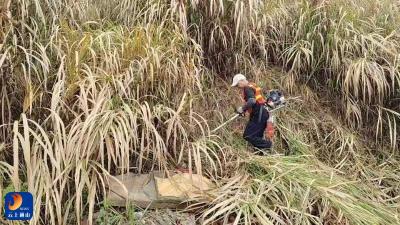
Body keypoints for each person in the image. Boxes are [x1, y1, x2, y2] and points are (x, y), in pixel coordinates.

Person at [231, 73, 273, 152]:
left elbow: (252, 101)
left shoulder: (247, 88)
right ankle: (260, 155)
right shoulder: (252, 85)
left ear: (241, 81)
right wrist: (245, 110)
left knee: (248, 135)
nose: (238, 87)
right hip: (262, 112)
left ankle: (268, 145)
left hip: (259, 113)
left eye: (237, 85)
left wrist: (242, 109)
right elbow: (256, 101)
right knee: (257, 136)